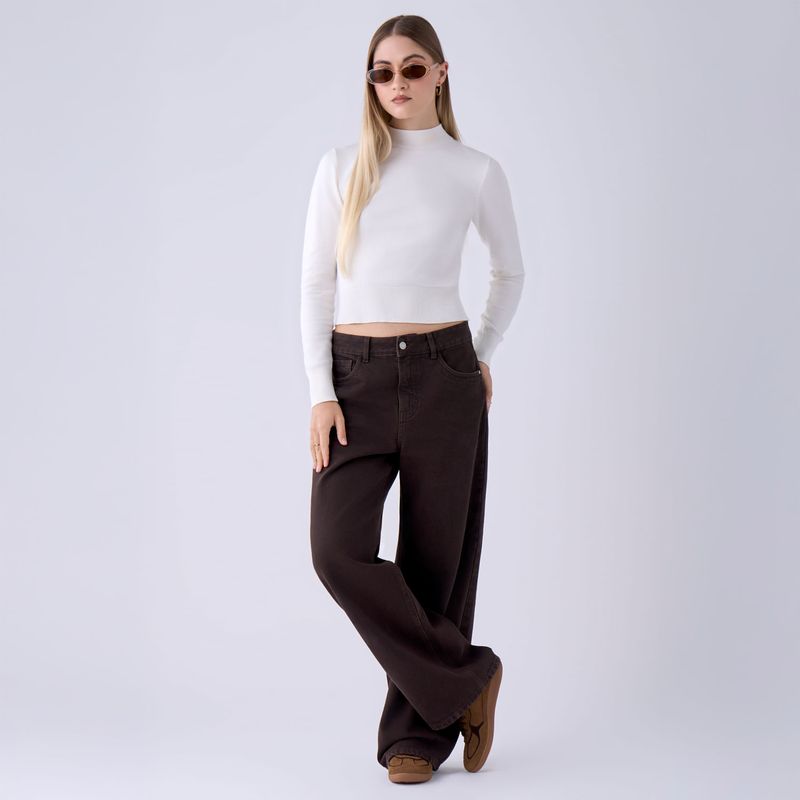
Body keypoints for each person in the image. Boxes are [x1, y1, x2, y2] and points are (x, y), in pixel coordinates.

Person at [300, 14, 525, 784]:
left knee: (436, 561)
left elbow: (510, 271)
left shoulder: (475, 171)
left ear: (441, 73)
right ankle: (468, 678)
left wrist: (479, 354)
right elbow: (315, 285)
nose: (396, 83)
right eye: (382, 72)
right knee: (336, 551)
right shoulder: (342, 167)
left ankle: (417, 738)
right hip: (354, 377)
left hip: (443, 370)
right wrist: (320, 392)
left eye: (412, 68)